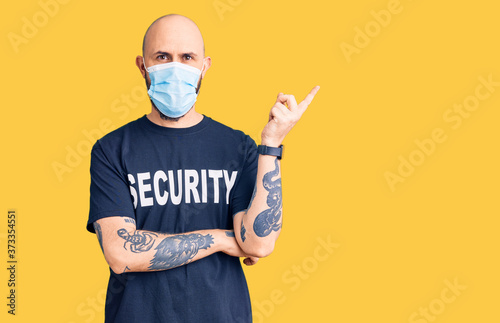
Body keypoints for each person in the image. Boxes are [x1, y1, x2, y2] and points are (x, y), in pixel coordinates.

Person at [86, 13, 320, 323]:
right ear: (143, 65)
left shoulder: (238, 147)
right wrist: (223, 239)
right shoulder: (111, 150)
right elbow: (122, 254)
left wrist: (271, 143)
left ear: (204, 66)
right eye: (162, 57)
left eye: (187, 57)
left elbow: (259, 243)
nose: (175, 67)